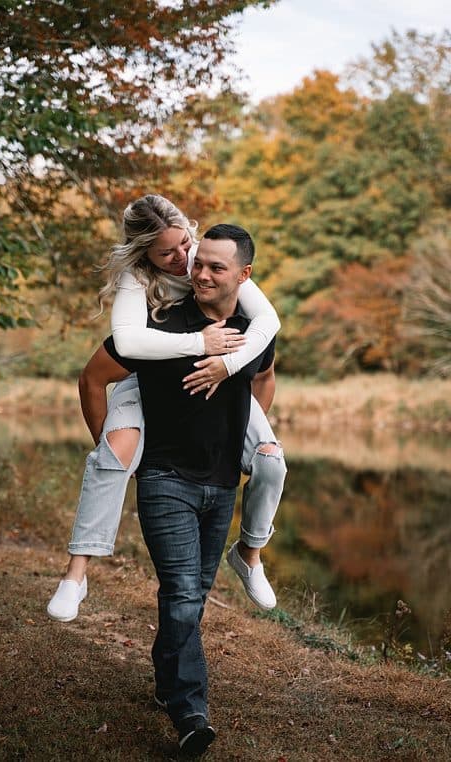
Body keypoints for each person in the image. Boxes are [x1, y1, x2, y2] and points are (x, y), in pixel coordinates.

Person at [46, 195, 285, 622]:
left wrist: (228, 371)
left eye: (185, 244)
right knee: (114, 453)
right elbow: (126, 345)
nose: (183, 259)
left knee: (272, 461)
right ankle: (76, 572)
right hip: (148, 374)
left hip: (221, 372)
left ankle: (250, 552)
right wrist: (199, 344)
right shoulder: (136, 279)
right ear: (145, 254)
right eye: (167, 253)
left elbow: (269, 322)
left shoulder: (210, 258)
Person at [103, 223, 277, 755]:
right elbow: (96, 374)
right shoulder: (162, 326)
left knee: (192, 596)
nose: (199, 272)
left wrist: (246, 437)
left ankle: (166, 675)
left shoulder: (252, 331)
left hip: (222, 482)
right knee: (181, 592)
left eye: (215, 267)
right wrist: (110, 454)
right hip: (165, 480)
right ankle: (190, 710)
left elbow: (266, 377)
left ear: (242, 276)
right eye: (197, 262)